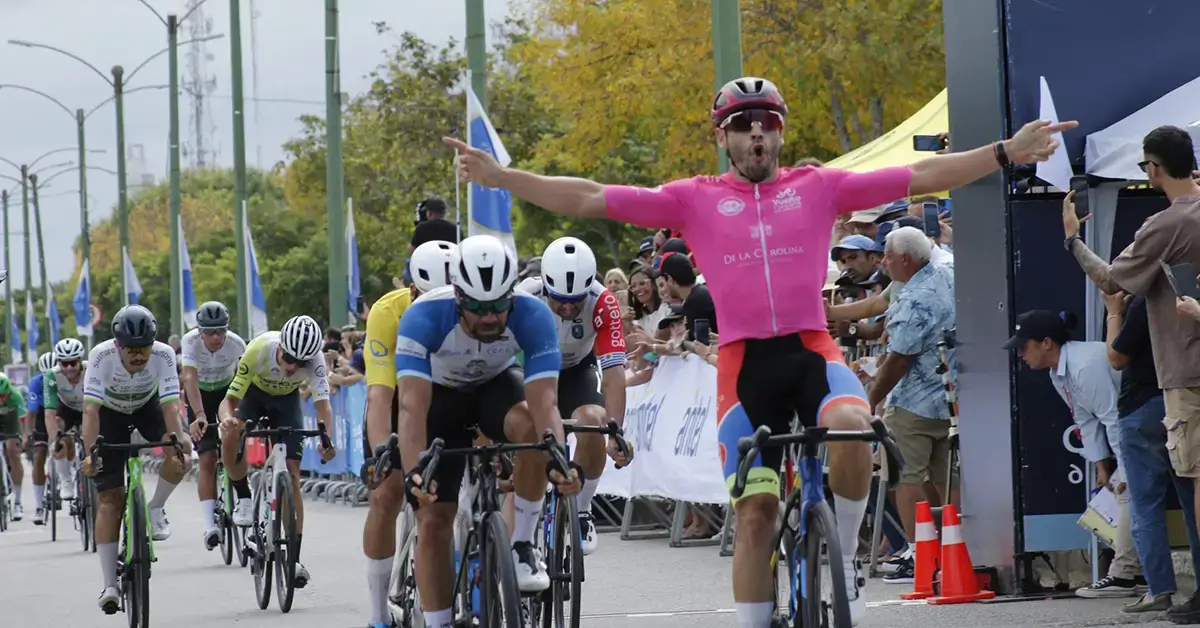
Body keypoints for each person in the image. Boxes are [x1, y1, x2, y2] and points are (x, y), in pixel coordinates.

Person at [444, 75, 1073, 626]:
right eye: (742, 126)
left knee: (854, 427)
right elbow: (589, 196)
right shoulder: (693, 198)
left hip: (810, 350)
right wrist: (503, 178)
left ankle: (844, 557)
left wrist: (1004, 152)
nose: (755, 135)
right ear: (723, 137)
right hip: (746, 366)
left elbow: (921, 175)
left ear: (779, 133)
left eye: (766, 124)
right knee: (756, 514)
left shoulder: (818, 186)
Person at [390, 234, 580, 628]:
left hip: (496, 387)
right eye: (477, 307)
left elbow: (545, 402)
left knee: (534, 432)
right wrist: (414, 471)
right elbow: (411, 407)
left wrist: (558, 459)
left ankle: (522, 543)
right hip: (440, 397)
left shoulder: (533, 314)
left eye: (498, 306)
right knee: (432, 519)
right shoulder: (423, 317)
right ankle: (439, 622)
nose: (489, 317)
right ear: (458, 296)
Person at [1057, 125, 1200, 619]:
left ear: (1154, 169)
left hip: (1184, 372)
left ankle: (1174, 593)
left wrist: (1073, 239)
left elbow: (1112, 279)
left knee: (1189, 485)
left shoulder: (1167, 225)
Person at [1003, 310, 1144, 597]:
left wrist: (1124, 468)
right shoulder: (1059, 372)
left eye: (1024, 346)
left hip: (1144, 418)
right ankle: (1136, 572)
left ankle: (1124, 575)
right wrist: (1101, 464)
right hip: (1134, 421)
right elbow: (1084, 419)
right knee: (1127, 494)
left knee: (1128, 493)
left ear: (1046, 343)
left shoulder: (1084, 366)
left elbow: (1113, 419)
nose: (1020, 354)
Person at [360, 239, 455, 628]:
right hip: (399, 396)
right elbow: (380, 397)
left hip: (447, 396)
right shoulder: (388, 313)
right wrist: (382, 453)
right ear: (412, 290)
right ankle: (378, 613)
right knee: (386, 493)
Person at [518, 237, 632, 555]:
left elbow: (614, 373)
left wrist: (615, 431)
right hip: (532, 368)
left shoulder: (603, 301)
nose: (568, 307)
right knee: (525, 426)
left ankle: (582, 509)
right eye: (560, 300)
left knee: (595, 421)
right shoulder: (525, 296)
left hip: (577, 369)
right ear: (546, 287)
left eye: (576, 300)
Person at [81, 305, 192, 614]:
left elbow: (170, 407)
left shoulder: (164, 355)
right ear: (118, 345)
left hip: (147, 408)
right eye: (131, 349)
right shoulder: (101, 356)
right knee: (109, 500)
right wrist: (90, 454)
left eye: (144, 348)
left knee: (183, 455)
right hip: (110, 414)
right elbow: (90, 411)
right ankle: (109, 585)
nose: (139, 355)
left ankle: (155, 508)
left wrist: (177, 445)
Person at [218, 314, 336, 590]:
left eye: (301, 363)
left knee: (293, 474)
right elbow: (230, 400)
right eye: (289, 358)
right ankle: (243, 496)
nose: (293, 367)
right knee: (232, 434)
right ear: (280, 347)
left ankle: (294, 559)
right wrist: (227, 420)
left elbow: (323, 406)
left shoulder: (316, 360)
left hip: (286, 402)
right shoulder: (258, 350)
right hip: (254, 396)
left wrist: (327, 440)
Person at [180, 301, 247, 551]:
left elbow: (246, 380)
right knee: (207, 458)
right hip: (199, 396)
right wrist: (198, 414)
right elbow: (189, 377)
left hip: (227, 393)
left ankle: (243, 494)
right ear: (200, 331)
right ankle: (209, 527)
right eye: (210, 331)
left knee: (234, 445)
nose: (216, 337)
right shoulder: (190, 342)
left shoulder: (237, 344)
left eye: (221, 330)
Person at [43, 338, 88, 505]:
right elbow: (49, 412)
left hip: (89, 407)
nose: (69, 368)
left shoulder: (91, 370)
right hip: (67, 409)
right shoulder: (51, 376)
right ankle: (66, 480)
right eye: (64, 363)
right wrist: (54, 440)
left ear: (80, 361)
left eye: (73, 363)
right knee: (59, 440)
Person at [24, 351, 57, 524]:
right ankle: (38, 505)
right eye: (46, 376)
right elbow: (31, 412)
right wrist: (28, 434)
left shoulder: (66, 377)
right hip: (42, 414)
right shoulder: (36, 382)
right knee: (38, 456)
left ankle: (67, 477)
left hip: (61, 410)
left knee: (68, 442)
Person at [0, 374, 27, 522]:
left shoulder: (15, 395)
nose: (1, 400)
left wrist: (24, 437)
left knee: (13, 451)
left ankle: (17, 501)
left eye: (3, 396)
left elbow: (23, 419)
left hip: (11, 422)